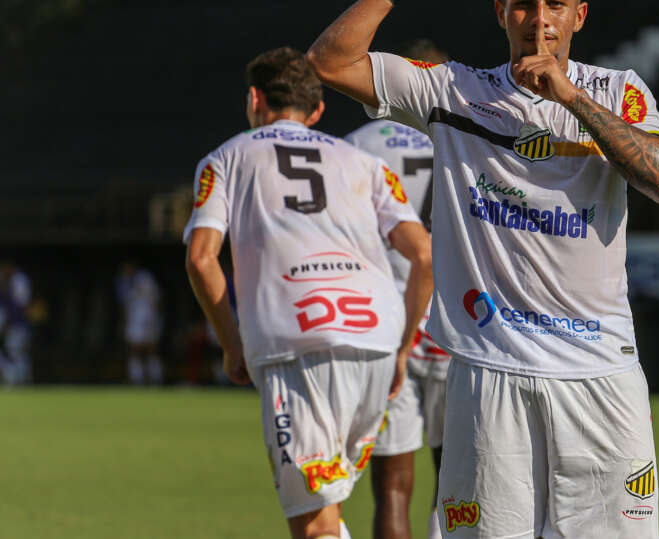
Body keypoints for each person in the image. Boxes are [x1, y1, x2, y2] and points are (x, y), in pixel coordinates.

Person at [307, 0, 659, 538]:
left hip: (599, 377)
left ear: (580, 15)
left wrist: (569, 98)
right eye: (523, 4)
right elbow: (329, 62)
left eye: (555, 4)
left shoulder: (619, 91)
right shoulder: (454, 91)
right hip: (490, 375)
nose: (540, 21)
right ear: (500, 12)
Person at [184, 46, 433, 539]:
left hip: (298, 342)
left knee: (315, 523)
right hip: (376, 341)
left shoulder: (226, 159)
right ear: (317, 111)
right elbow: (423, 254)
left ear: (255, 99)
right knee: (329, 510)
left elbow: (200, 258)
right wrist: (403, 347)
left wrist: (232, 343)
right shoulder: (364, 163)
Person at [345, 43, 448, 539]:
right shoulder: (463, 138)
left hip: (385, 325)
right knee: (460, 482)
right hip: (456, 322)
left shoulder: (354, 146)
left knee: (392, 486)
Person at [115, 260, 164, 385]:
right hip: (133, 319)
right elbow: (123, 304)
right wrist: (124, 320)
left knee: (151, 348)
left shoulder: (146, 278)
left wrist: (156, 319)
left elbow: (156, 298)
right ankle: (137, 378)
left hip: (148, 317)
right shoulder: (123, 281)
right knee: (133, 349)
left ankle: (156, 378)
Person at [0, 261, 33, 385]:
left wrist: (8, 324)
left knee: (17, 353)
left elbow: (20, 305)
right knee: (17, 354)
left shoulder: (19, 279)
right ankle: (19, 381)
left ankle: (19, 382)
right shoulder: (8, 284)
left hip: (18, 325)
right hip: (15, 324)